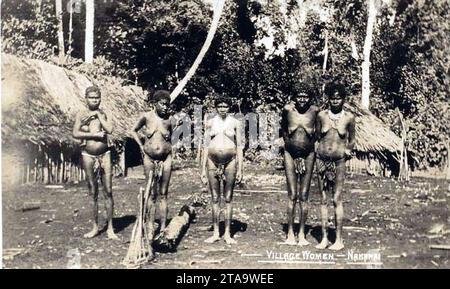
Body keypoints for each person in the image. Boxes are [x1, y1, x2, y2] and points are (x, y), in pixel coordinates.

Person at [72, 86, 119, 240]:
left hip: (105, 154)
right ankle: (94, 227)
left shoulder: (105, 113)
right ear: (86, 98)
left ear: (100, 98)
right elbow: (75, 133)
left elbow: (110, 129)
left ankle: (110, 228)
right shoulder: (81, 114)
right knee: (93, 192)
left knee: (109, 191)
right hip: (88, 155)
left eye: (97, 97)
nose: (94, 100)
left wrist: (99, 115)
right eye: (91, 97)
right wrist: (93, 134)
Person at [315, 82, 356, 251]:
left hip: (338, 162)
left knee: (336, 199)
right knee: (323, 200)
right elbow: (317, 136)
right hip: (322, 161)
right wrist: (319, 153)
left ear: (343, 99)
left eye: (338, 98)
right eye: (332, 98)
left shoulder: (349, 118)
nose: (335, 101)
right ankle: (324, 238)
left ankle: (338, 240)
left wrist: (347, 150)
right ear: (329, 99)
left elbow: (352, 140)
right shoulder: (321, 116)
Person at [131, 90, 177, 238]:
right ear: (154, 104)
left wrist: (171, 152)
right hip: (149, 158)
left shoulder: (170, 120)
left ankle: (163, 227)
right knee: (151, 193)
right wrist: (141, 147)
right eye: (162, 104)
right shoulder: (146, 117)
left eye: (167, 105)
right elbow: (133, 131)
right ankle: (150, 226)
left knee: (163, 193)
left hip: (166, 158)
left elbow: (172, 139)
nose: (165, 107)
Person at [201, 96, 243, 244]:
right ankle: (215, 232)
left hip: (230, 161)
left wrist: (240, 169)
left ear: (229, 107)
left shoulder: (235, 122)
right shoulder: (210, 122)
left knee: (228, 197)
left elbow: (239, 146)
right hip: (212, 161)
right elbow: (205, 146)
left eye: (225, 106)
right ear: (216, 108)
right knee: (214, 197)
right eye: (220, 106)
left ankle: (227, 233)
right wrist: (202, 169)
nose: (223, 109)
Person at [281, 83, 319, 246]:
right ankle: (290, 232)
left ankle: (302, 233)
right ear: (294, 97)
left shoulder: (315, 111)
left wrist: (304, 154)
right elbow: (283, 131)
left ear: (310, 98)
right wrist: (293, 152)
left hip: (309, 154)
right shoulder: (288, 110)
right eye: (299, 96)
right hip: (290, 153)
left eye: (305, 96)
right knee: (292, 195)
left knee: (304, 195)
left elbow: (317, 134)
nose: (302, 99)